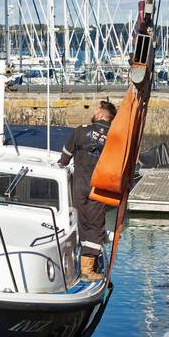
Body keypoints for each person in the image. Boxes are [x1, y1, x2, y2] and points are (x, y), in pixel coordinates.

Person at [59, 100, 117, 281]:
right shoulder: (114, 137)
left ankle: (82, 262)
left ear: (100, 114)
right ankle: (88, 269)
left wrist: (63, 163)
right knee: (95, 225)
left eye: (96, 110)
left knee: (83, 222)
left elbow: (64, 158)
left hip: (79, 186)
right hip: (98, 187)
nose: (94, 112)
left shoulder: (81, 131)